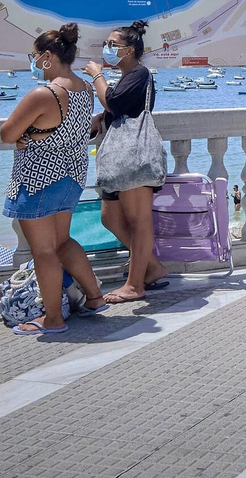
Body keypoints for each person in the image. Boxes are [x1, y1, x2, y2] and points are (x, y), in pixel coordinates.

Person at [0, 23, 109, 335]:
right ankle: (95, 298)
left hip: (38, 178)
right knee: (62, 241)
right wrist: (32, 132)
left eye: (33, 56)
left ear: (47, 56)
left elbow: (6, 133)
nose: (31, 62)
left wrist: (26, 134)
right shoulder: (84, 89)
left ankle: (52, 319)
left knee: (44, 251)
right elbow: (70, 130)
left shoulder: (44, 94)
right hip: (71, 176)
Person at [83, 19, 168, 304]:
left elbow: (116, 102)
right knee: (110, 217)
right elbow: (121, 109)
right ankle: (151, 267)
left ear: (130, 50)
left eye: (112, 45)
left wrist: (97, 76)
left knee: (139, 221)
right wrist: (102, 119)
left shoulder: (140, 73)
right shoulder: (128, 75)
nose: (107, 49)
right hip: (120, 159)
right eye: (106, 44)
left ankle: (135, 285)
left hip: (133, 158)